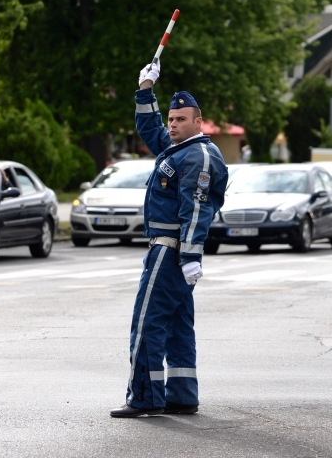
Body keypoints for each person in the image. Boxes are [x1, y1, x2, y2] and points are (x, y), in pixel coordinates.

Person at [110, 59, 228, 418]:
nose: (173, 125)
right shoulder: (179, 148)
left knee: (147, 323)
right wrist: (146, 90)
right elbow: (150, 129)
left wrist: (191, 255)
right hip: (169, 250)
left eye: (180, 120)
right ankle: (181, 394)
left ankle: (145, 397)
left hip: (170, 250)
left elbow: (195, 210)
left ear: (198, 121)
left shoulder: (199, 156)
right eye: (172, 120)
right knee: (177, 324)